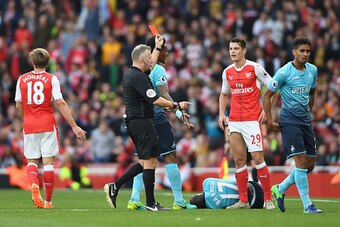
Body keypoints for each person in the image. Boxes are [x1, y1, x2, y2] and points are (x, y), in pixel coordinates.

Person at [104, 35, 190, 211]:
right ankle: (150, 203)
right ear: (144, 60)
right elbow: (156, 99)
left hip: (138, 121)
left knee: (146, 162)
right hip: (142, 122)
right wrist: (176, 106)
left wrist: (157, 47)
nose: (152, 61)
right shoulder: (139, 78)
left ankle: (119, 188)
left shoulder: (134, 74)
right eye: (149, 58)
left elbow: (151, 64)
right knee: (150, 161)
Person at [127, 36, 196, 211]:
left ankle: (134, 199)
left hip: (142, 119)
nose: (167, 52)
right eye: (164, 49)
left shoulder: (139, 72)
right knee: (170, 156)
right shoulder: (158, 70)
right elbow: (164, 95)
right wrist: (179, 112)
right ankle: (179, 200)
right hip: (156, 117)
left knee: (143, 159)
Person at [14, 48, 86, 209]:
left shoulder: (22, 79)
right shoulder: (51, 79)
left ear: (32, 62)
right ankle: (48, 201)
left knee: (32, 161)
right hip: (47, 123)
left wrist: (27, 118)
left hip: (30, 124)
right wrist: (74, 126)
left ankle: (34, 185)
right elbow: (60, 102)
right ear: (48, 62)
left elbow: (18, 105)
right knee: (48, 163)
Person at [263, 36, 322, 214]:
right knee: (301, 161)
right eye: (302, 51)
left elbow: (312, 92)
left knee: (309, 164)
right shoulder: (284, 72)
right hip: (288, 120)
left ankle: (280, 189)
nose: (305, 54)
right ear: (294, 52)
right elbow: (267, 96)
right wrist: (269, 119)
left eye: (308, 51)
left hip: (305, 120)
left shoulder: (313, 70)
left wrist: (309, 112)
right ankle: (307, 205)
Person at [218, 37, 275, 209]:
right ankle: (243, 201)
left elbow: (273, 87)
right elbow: (224, 94)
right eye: (230, 48)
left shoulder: (255, 68)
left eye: (236, 48)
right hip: (234, 121)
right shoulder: (227, 71)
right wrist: (221, 114)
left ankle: (268, 199)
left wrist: (266, 110)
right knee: (239, 160)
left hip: (252, 120)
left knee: (258, 158)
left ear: (244, 50)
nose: (232, 51)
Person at [189, 178, 264, 209]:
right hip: (253, 186)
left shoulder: (213, 206)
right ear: (198, 194)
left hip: (254, 202)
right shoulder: (207, 182)